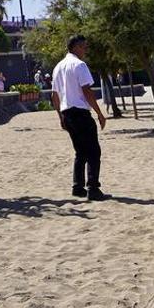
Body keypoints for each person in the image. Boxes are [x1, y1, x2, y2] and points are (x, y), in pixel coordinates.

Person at [52, 34, 109, 201]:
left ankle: (77, 186)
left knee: (80, 151)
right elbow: (87, 91)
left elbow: (55, 96)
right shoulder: (79, 65)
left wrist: (60, 117)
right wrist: (99, 113)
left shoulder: (58, 67)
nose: (86, 50)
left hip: (67, 113)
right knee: (93, 151)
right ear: (75, 47)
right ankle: (93, 188)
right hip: (80, 112)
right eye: (84, 47)